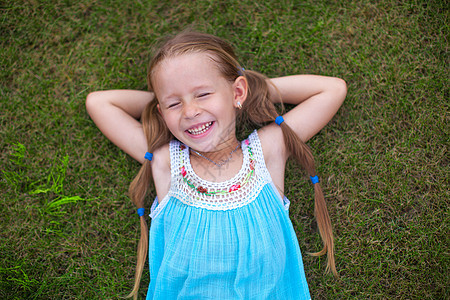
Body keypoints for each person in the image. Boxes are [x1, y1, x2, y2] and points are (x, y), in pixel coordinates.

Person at [86, 31, 347, 300]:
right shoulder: (166, 162)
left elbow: (332, 90)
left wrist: (251, 91)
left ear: (237, 91)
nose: (189, 112)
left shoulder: (267, 151)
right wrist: (162, 103)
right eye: (175, 104)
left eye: (203, 94)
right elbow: (99, 103)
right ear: (162, 114)